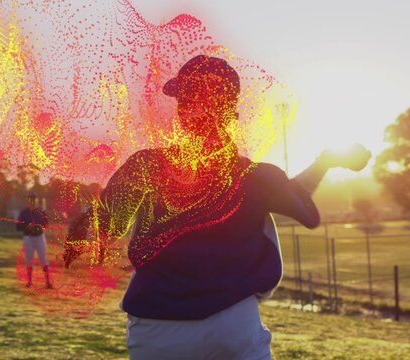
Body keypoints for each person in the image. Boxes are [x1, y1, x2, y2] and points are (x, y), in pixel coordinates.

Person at [64, 55, 370, 359]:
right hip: (232, 325)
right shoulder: (257, 176)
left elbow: (101, 226)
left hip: (156, 327)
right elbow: (304, 208)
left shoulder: (145, 166)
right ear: (231, 113)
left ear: (182, 112)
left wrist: (78, 234)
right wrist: (326, 161)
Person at [16, 192, 52, 289]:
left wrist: (38, 226)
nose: (32, 201)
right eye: (30, 199)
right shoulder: (24, 213)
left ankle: (48, 282)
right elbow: (18, 226)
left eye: (34, 199)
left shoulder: (41, 211)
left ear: (36, 200)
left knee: (43, 259)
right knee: (29, 260)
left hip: (39, 236)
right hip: (28, 237)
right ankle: (29, 281)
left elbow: (46, 224)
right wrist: (26, 226)